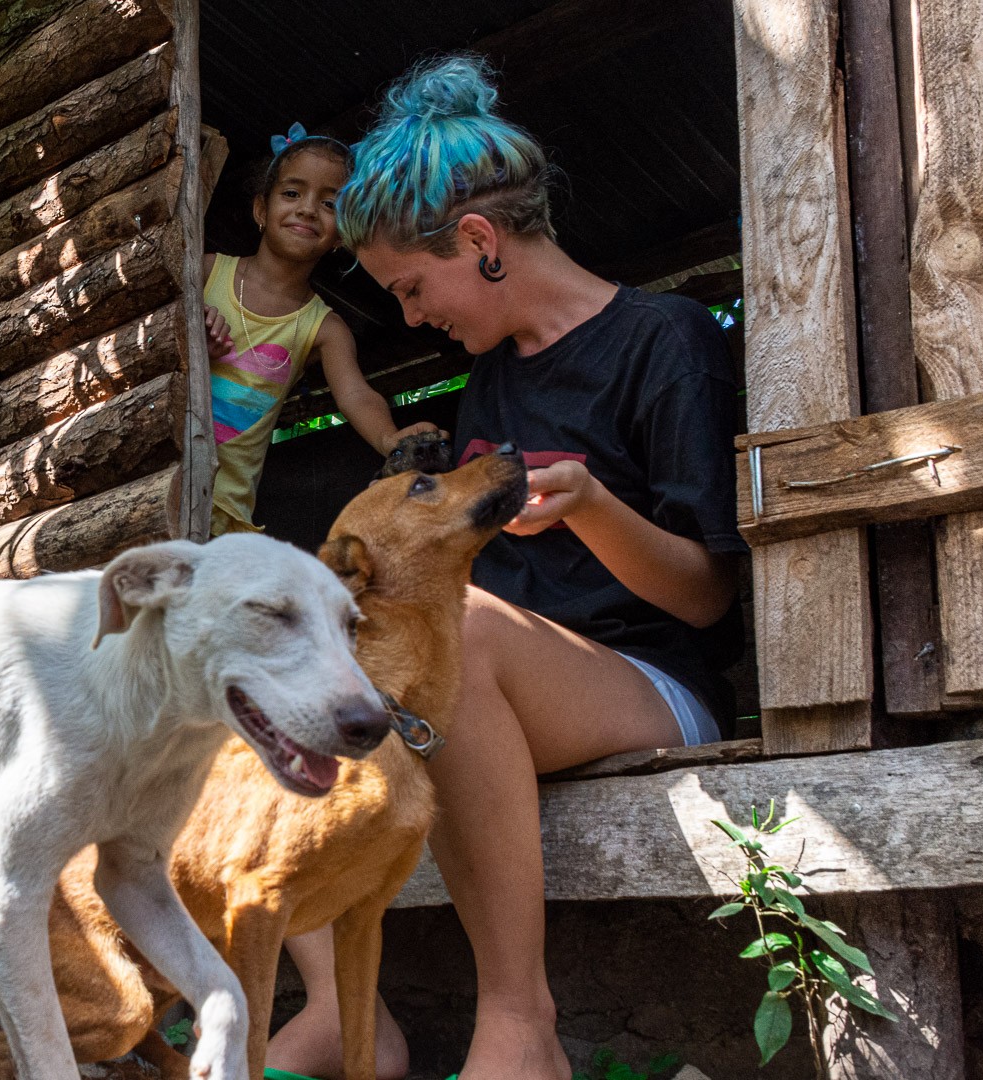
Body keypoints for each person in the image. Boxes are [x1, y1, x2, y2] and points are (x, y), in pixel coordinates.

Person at [264, 56, 745, 1080]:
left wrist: (599, 511)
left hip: (652, 685)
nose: (409, 317)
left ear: (478, 243)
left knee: (463, 632)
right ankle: (345, 1017)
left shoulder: (668, 343)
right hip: (492, 691)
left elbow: (707, 599)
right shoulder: (488, 392)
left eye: (411, 285)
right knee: (275, 660)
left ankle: (520, 1029)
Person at [201, 123, 434, 536]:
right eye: (292, 193)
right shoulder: (204, 271)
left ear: (342, 235)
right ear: (260, 210)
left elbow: (356, 395)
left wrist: (389, 440)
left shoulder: (324, 327)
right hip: (154, 476)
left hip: (223, 511)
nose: (307, 209)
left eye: (329, 203)